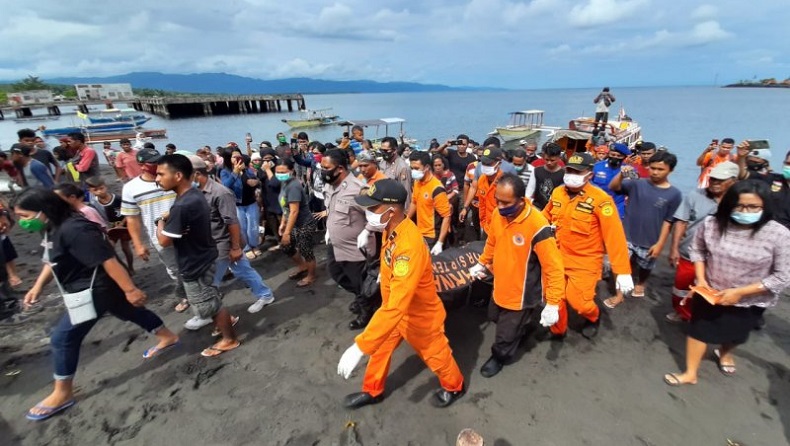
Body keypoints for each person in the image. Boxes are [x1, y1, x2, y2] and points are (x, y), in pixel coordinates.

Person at [16, 187, 178, 421]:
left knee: (62, 338)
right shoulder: (51, 227)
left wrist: (130, 289)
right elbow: (51, 260)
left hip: (96, 288)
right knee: (130, 312)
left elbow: (107, 260)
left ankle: (63, 393)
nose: (22, 222)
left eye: (25, 216)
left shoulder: (76, 229)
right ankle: (168, 337)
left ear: (43, 210)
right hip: (89, 286)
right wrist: (37, 287)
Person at [337, 179, 465, 409]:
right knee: (380, 351)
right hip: (395, 313)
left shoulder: (409, 246)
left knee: (438, 357)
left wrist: (360, 346)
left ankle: (454, 386)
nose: (368, 213)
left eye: (372, 208)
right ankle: (372, 390)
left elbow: (398, 303)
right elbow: (391, 265)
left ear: (391, 210)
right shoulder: (391, 229)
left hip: (418, 316)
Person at [663, 180, 790, 386]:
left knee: (737, 334)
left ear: (764, 206)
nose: (745, 211)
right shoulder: (712, 224)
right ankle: (690, 372)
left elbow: (782, 275)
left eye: (753, 207)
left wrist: (740, 293)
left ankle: (725, 353)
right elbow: (698, 250)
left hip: (750, 298)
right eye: (739, 205)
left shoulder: (779, 234)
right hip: (710, 290)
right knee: (698, 330)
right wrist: (702, 280)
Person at [469, 174, 565, 377]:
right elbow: (492, 241)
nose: (501, 207)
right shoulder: (498, 214)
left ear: (521, 200)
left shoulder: (538, 226)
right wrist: (482, 262)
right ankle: (521, 327)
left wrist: (553, 302)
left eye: (506, 202)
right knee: (494, 316)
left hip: (522, 293)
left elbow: (554, 267)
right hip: (501, 283)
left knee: (504, 335)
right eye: (498, 201)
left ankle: (500, 356)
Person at [155, 154, 240, 357]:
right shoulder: (194, 194)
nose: (157, 179)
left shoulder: (183, 205)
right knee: (210, 297)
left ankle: (229, 338)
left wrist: (159, 222)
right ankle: (224, 324)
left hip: (195, 261)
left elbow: (163, 241)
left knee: (210, 304)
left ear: (177, 176)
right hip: (204, 254)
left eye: (160, 174)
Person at [542, 153, 633, 339]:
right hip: (557, 256)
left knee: (580, 303)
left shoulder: (601, 200)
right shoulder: (558, 192)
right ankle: (558, 330)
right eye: (569, 170)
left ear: (589, 174)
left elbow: (614, 236)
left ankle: (593, 317)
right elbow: (545, 216)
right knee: (555, 297)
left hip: (584, 261)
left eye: (577, 171)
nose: (571, 174)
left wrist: (623, 271)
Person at [190, 156, 276, 314]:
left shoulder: (220, 192)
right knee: (242, 271)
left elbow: (231, 222)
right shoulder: (194, 192)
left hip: (223, 244)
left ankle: (211, 314)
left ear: (196, 173)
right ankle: (265, 295)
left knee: (210, 281)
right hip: (209, 243)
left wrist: (236, 247)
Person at [121, 147, 195, 326]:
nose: (158, 166)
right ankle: (186, 295)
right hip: (159, 236)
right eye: (153, 163)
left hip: (186, 230)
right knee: (175, 269)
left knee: (194, 262)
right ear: (142, 166)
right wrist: (138, 244)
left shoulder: (172, 178)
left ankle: (198, 293)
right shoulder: (131, 188)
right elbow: (132, 218)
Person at [606, 151, 682, 306]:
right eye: (652, 168)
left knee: (645, 265)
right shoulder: (637, 183)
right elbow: (613, 186)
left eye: (660, 169)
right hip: (626, 234)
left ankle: (641, 282)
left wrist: (660, 244)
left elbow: (669, 221)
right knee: (620, 265)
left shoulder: (674, 194)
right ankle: (619, 294)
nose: (655, 172)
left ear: (671, 170)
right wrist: (621, 175)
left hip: (650, 239)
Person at [666, 162, 738, 323]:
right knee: (681, 287)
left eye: (720, 180)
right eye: (713, 179)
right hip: (689, 253)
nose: (715, 183)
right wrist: (674, 248)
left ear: (733, 182)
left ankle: (703, 317)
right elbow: (681, 222)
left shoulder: (739, 202)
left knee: (713, 290)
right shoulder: (694, 195)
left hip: (719, 259)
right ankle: (681, 312)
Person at [321, 149, 378, 329]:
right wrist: (329, 230)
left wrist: (367, 231)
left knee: (360, 281)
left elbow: (380, 216)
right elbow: (332, 209)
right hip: (336, 244)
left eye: (325, 167)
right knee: (336, 274)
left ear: (339, 169)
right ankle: (362, 297)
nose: (322, 170)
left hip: (356, 249)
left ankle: (367, 312)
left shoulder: (359, 190)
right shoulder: (330, 186)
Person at [275, 159, 317, 287]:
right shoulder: (284, 183)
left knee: (306, 250)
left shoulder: (293, 186)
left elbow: (294, 211)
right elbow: (285, 207)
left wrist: (287, 233)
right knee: (286, 247)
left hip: (304, 223)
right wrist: (283, 223)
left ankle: (311, 276)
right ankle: (302, 266)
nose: (280, 174)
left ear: (291, 171)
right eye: (277, 172)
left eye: (283, 171)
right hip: (293, 224)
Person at [86, 176, 135, 275]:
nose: (99, 191)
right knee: (110, 248)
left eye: (101, 188)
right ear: (90, 191)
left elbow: (128, 212)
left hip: (124, 227)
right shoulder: (94, 203)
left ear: (106, 187)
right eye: (95, 190)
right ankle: (123, 268)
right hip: (110, 229)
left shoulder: (117, 199)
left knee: (125, 248)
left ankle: (130, 267)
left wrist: (121, 224)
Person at [220, 147, 262, 259]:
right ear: (228, 159)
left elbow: (255, 181)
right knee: (241, 228)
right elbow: (225, 186)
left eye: (239, 156)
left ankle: (254, 245)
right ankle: (246, 247)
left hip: (251, 202)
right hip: (236, 205)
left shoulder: (247, 169)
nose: (237, 159)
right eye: (234, 157)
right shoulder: (225, 171)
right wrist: (235, 172)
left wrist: (246, 174)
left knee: (253, 226)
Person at [736, 143, 790, 231]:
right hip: (767, 231)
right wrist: (741, 157)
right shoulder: (772, 179)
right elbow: (742, 175)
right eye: (788, 163)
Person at [407, 151, 452, 252]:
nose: (413, 171)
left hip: (433, 235)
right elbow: (414, 202)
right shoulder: (417, 182)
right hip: (420, 232)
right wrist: (406, 221)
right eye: (412, 168)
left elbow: (446, 216)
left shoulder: (436, 188)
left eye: (416, 168)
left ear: (427, 167)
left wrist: (440, 242)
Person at [591, 143, 631, 218]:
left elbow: (634, 187)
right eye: (613, 155)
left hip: (618, 207)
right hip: (596, 205)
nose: (615, 157)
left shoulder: (628, 170)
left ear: (624, 157)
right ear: (609, 154)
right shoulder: (597, 167)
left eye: (619, 156)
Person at [256, 147, 283, 250]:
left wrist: (268, 169)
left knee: (282, 221)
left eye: (270, 159)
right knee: (272, 222)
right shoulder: (261, 169)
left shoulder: (279, 167)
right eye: (265, 159)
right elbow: (260, 180)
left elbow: (276, 183)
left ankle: (288, 241)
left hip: (279, 199)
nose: (267, 162)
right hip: (268, 200)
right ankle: (279, 241)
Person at [530, 142, 566, 210]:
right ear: (543, 156)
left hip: (554, 208)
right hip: (537, 207)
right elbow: (530, 190)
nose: (549, 163)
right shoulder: (536, 171)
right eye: (547, 160)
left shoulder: (563, 174)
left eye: (552, 160)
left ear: (559, 158)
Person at [378, 136, 411, 206]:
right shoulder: (382, 162)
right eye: (382, 150)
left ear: (395, 150)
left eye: (386, 150)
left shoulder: (402, 168)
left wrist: (405, 214)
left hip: (395, 205)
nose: (384, 153)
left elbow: (406, 193)